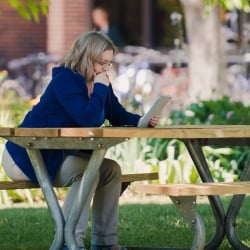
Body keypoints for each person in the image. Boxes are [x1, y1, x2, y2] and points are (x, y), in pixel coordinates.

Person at [1, 31, 159, 250]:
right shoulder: (65, 80)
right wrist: (101, 88)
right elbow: (87, 118)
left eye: (109, 63)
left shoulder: (99, 81)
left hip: (56, 154)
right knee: (88, 172)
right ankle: (69, 241)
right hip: (25, 156)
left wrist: (142, 119)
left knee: (111, 169)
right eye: (101, 62)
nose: (105, 69)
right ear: (86, 56)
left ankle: (105, 242)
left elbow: (115, 114)